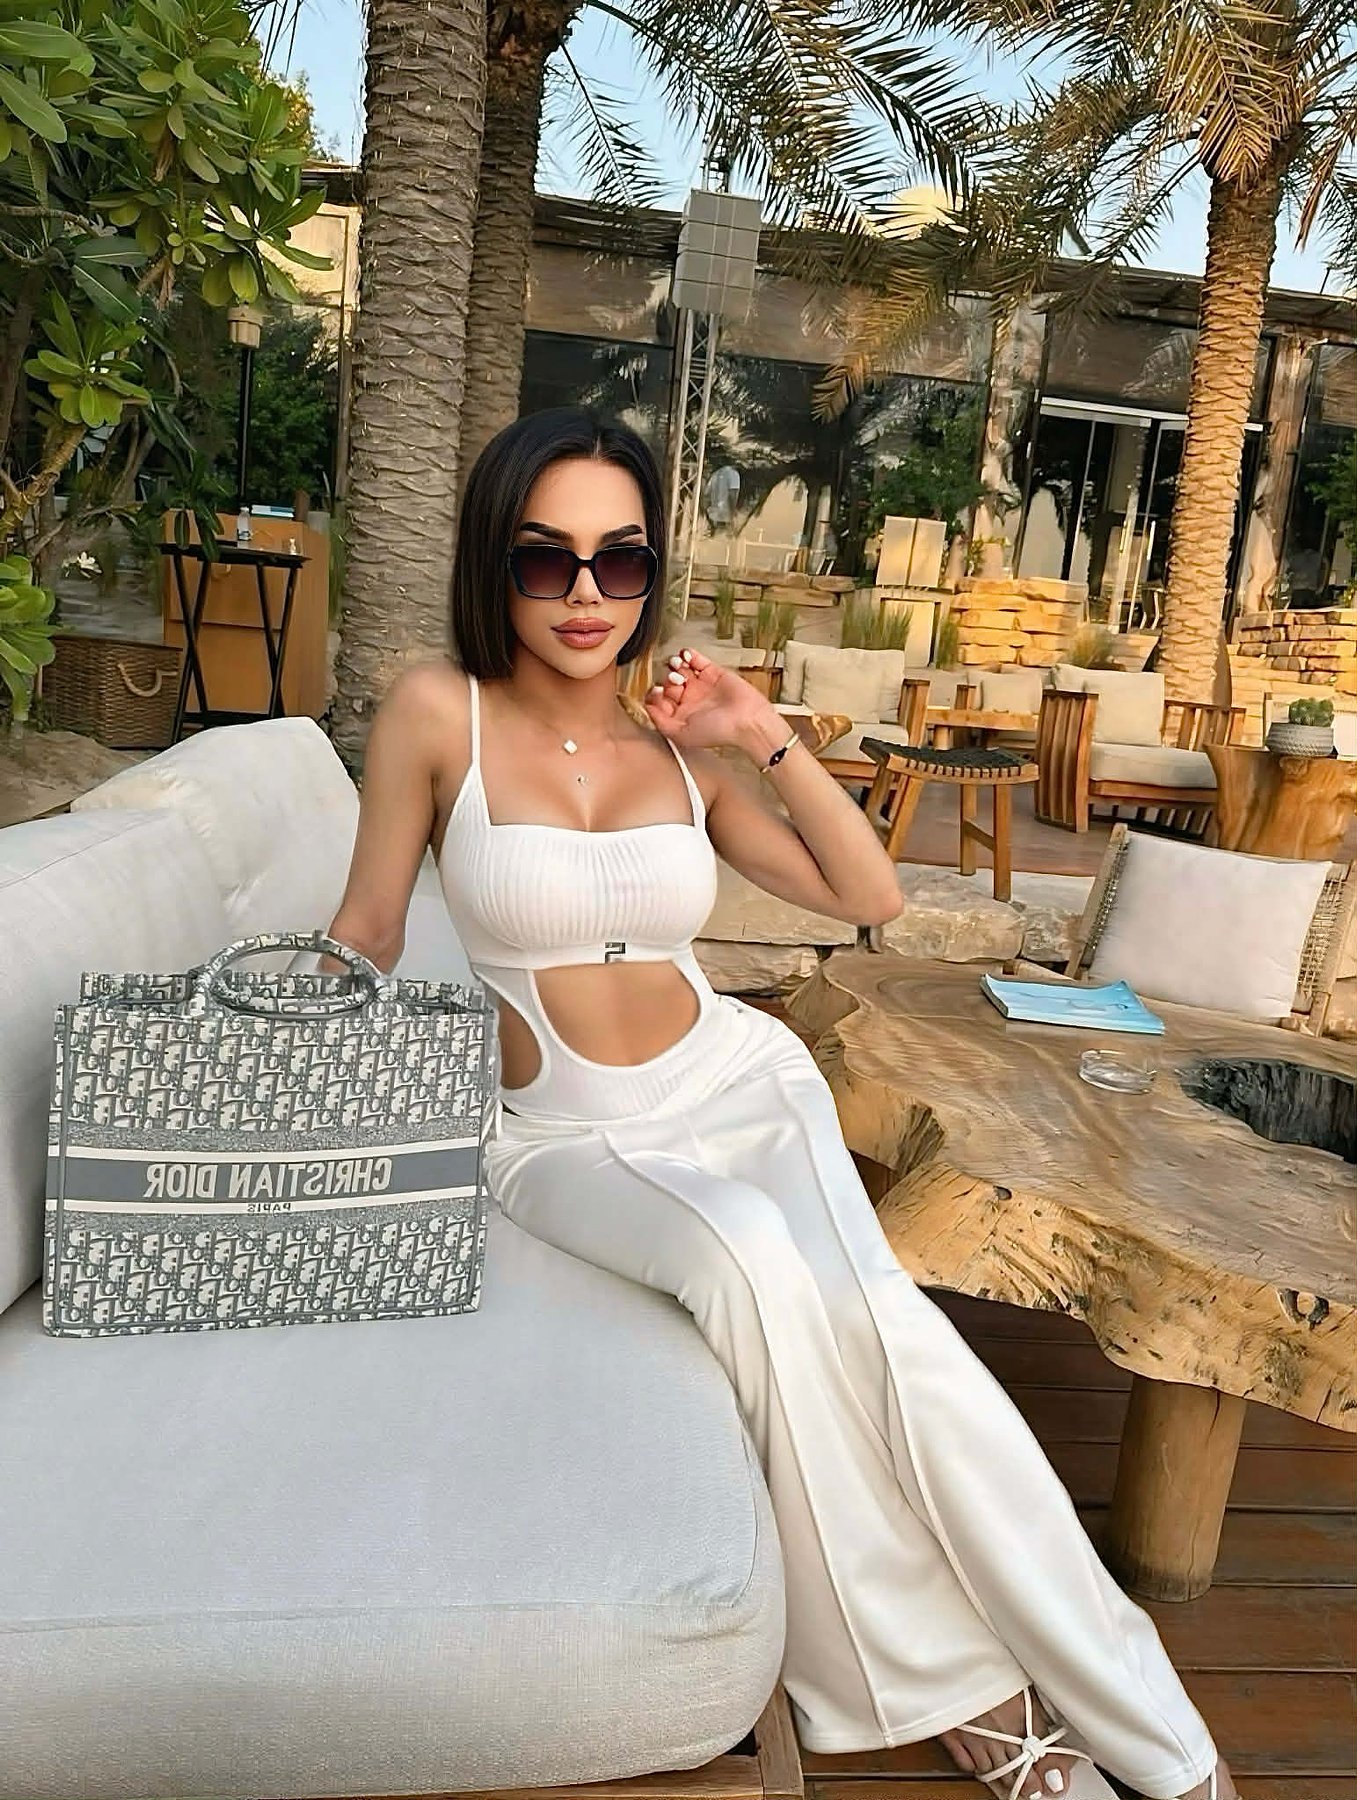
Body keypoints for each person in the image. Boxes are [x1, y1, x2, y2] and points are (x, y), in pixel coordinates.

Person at [325, 408, 1234, 1800]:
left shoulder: (683, 753)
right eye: (546, 559)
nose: (585, 595)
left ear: (651, 572)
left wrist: (760, 733)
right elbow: (370, 928)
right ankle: (982, 1705)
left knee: (897, 1343)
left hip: (737, 1083)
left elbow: (871, 896)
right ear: (492, 562)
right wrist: (266, 1055)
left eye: (622, 561)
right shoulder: (435, 715)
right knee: (752, 1260)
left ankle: (1170, 1751)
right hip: (567, 1136)